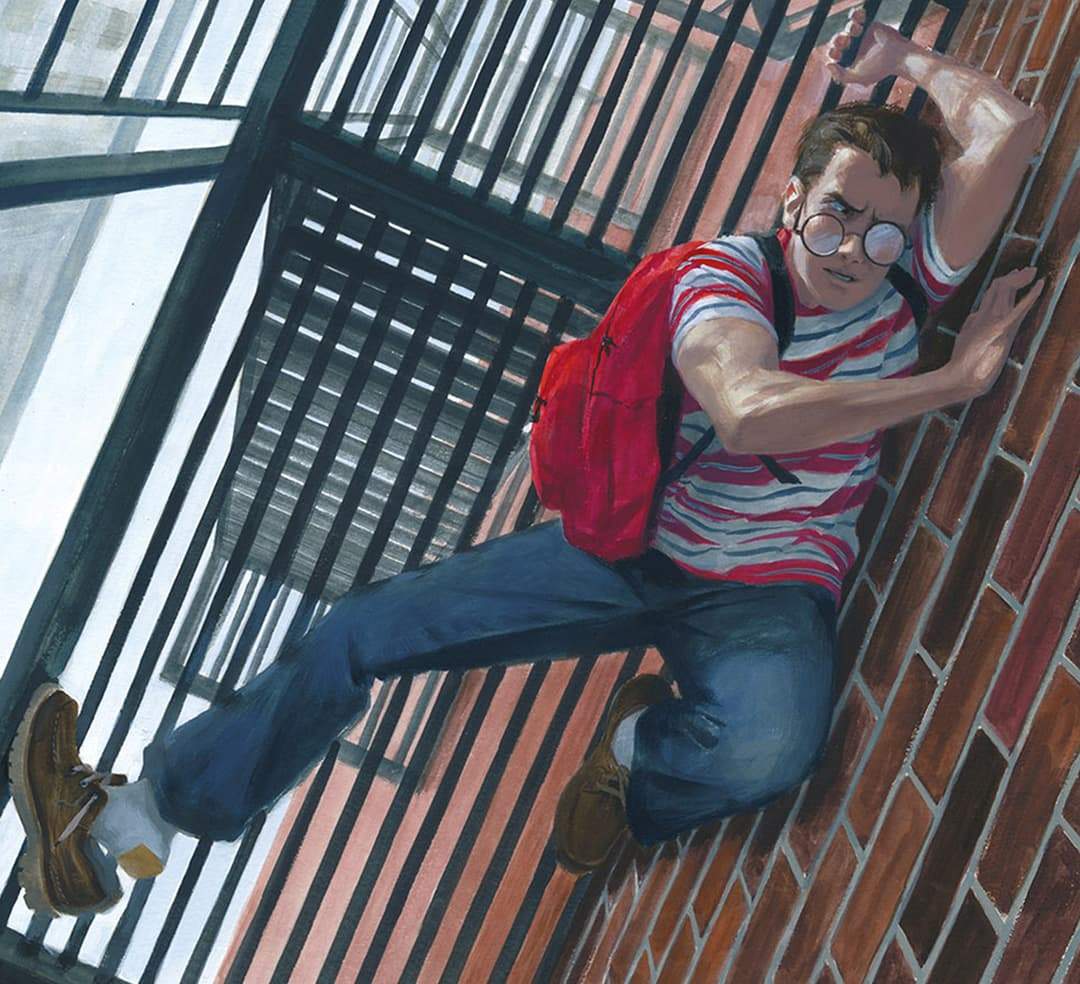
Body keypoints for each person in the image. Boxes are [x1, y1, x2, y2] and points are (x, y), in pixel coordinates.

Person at [10, 7, 1045, 916]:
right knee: (360, 632)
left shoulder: (908, 275)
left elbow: (1011, 128)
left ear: (914, 242)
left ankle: (637, 759)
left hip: (766, 590)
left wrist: (907, 53)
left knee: (769, 752)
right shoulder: (726, 279)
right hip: (626, 549)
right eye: (837, 214)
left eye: (882, 235)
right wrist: (951, 386)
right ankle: (127, 825)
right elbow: (750, 412)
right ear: (790, 206)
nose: (853, 250)